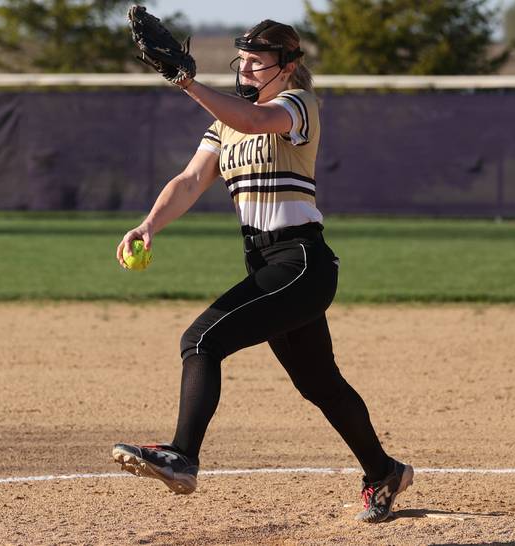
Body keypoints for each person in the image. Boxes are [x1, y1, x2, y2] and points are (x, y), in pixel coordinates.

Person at [112, 19, 413, 523]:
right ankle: (383, 471)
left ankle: (182, 455)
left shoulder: (298, 105)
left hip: (299, 261)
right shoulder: (225, 122)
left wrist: (185, 81)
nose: (246, 68)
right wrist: (149, 225)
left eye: (258, 61)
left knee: (201, 342)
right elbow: (189, 180)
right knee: (319, 383)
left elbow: (255, 123)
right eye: (243, 60)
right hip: (268, 263)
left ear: (288, 66)